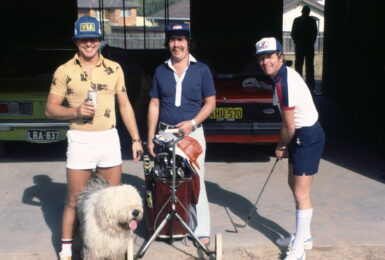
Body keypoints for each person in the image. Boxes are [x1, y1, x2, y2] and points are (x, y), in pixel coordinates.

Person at [45, 16, 143, 260]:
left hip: (108, 139)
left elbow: (125, 105)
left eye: (93, 39)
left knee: (112, 199)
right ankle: (67, 249)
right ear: (76, 42)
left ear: (100, 40)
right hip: (80, 140)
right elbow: (50, 109)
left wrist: (135, 138)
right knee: (74, 200)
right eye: (83, 40)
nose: (88, 44)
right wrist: (76, 112)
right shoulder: (64, 70)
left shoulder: (114, 68)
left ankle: (114, 249)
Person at [255, 37, 325, 260]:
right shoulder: (278, 77)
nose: (266, 62)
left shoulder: (284, 82)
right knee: (292, 183)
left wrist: (281, 145)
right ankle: (303, 236)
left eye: (270, 56)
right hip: (299, 135)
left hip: (307, 135)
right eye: (262, 58)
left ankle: (300, 248)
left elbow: (289, 125)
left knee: (300, 192)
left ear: (280, 57)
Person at [146, 23, 216, 245]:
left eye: (181, 40)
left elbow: (211, 103)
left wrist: (193, 123)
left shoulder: (202, 69)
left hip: (192, 135)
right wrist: (149, 137)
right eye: (172, 40)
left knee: (196, 181)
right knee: (164, 180)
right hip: (165, 135)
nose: (177, 45)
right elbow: (154, 104)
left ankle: (201, 230)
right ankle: (167, 227)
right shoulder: (160, 70)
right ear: (168, 44)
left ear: (188, 42)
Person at [291, 5, 318, 91]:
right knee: (310, 66)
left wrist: (297, 42)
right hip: (309, 46)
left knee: (298, 65)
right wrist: (311, 43)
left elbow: (293, 33)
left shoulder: (297, 20)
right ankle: (310, 86)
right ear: (309, 12)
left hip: (300, 46)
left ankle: (298, 84)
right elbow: (315, 33)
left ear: (301, 11)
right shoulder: (312, 21)